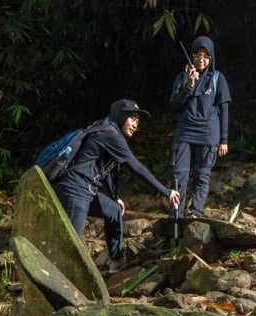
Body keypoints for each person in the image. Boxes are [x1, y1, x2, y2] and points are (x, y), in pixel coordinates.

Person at [50, 99, 181, 273]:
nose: (135, 125)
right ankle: (58, 275)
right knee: (72, 241)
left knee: (113, 210)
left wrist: (114, 196)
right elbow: (136, 167)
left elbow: (109, 171)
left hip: (86, 190)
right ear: (120, 116)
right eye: (132, 119)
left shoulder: (107, 128)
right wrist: (165, 191)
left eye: (137, 121)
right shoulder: (110, 134)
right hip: (74, 189)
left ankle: (116, 261)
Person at [168, 35, 232, 219]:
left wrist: (224, 139)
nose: (201, 60)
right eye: (197, 55)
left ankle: (196, 211)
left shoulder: (217, 78)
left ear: (211, 58)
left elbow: (224, 109)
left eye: (205, 56)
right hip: (185, 132)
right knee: (178, 174)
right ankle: (176, 215)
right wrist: (189, 86)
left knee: (202, 175)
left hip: (208, 133)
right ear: (191, 56)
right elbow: (174, 105)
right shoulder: (183, 78)